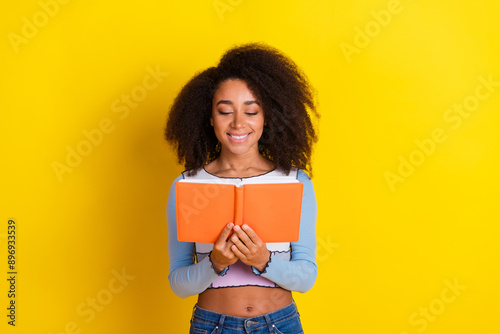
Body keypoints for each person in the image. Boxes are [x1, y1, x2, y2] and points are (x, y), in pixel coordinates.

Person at [164, 43, 319, 333]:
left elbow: (306, 276)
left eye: (251, 111)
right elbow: (179, 283)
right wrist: (215, 263)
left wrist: (264, 261)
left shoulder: (295, 182)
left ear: (266, 118)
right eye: (225, 111)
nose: (238, 123)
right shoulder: (187, 185)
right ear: (210, 118)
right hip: (213, 325)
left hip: (279, 324)